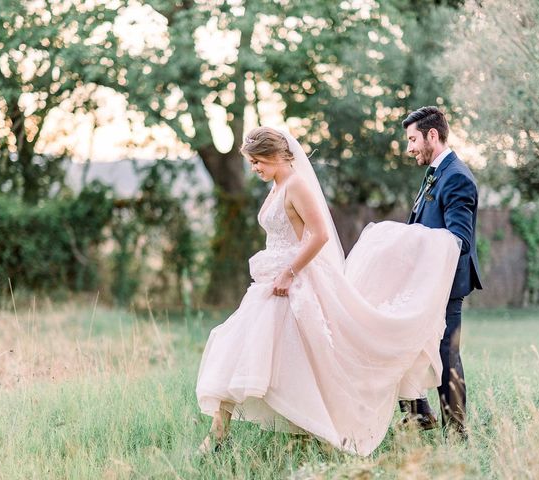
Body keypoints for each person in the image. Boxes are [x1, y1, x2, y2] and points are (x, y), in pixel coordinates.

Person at [196, 126, 461, 456]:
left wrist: (290, 273)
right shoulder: (277, 186)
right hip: (271, 282)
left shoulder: (297, 186)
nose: (254, 169)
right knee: (239, 346)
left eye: (257, 162)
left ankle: (293, 432)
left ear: (275, 155)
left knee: (288, 358)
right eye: (251, 163)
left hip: (293, 282)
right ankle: (222, 434)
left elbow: (319, 235)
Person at [400, 106, 483, 436]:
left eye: (412, 139)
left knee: (447, 354)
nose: (409, 148)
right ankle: (420, 415)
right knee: (407, 346)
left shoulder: (457, 177)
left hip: (446, 285)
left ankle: (456, 429)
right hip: (424, 283)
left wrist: (414, 241)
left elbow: (458, 239)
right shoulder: (436, 171)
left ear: (432, 135)